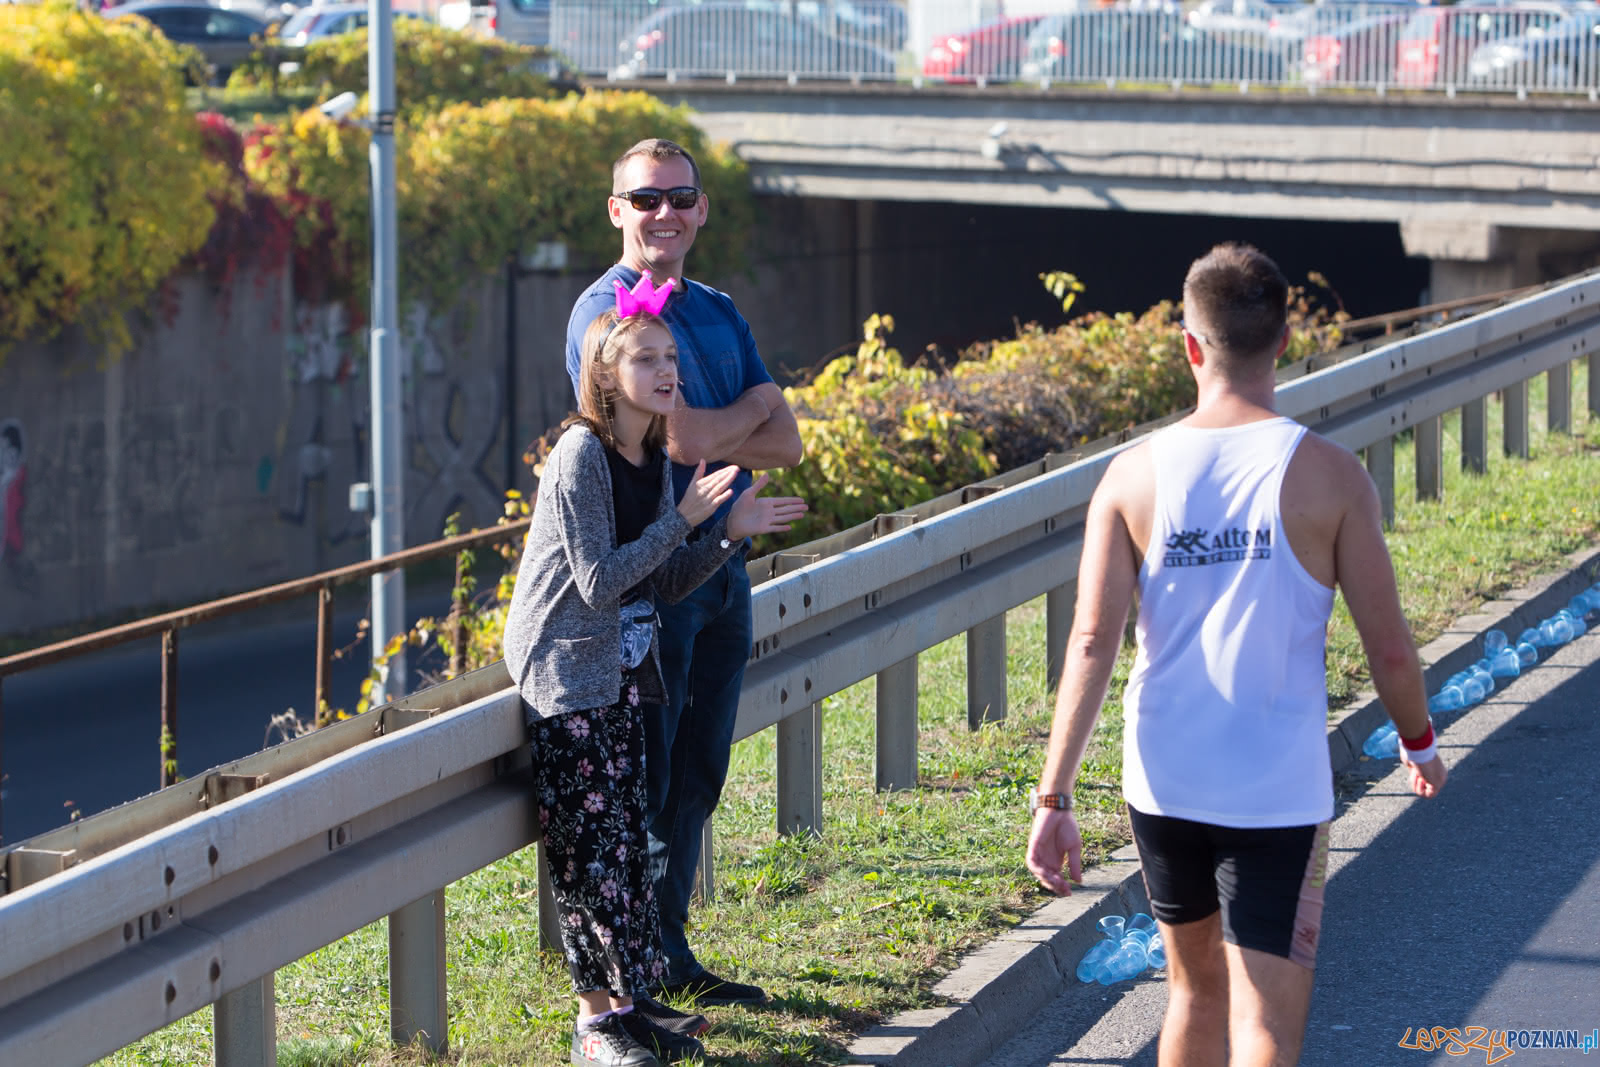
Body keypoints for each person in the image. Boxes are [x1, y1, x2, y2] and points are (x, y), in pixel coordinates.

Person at [1024, 242, 1447, 1067]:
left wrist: (1054, 794)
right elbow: (1390, 648)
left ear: (1190, 344)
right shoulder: (1332, 477)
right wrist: (1420, 740)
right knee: (1266, 1024)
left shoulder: (1130, 477)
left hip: (1165, 774)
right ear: (1284, 340)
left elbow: (1090, 641)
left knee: (1192, 993)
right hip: (1278, 785)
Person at [505, 283, 807, 1067]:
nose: (667, 369)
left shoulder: (653, 455)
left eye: (670, 356)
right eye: (647, 358)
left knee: (625, 851)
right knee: (589, 854)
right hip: (567, 672)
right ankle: (593, 1026)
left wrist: (724, 534)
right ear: (607, 374)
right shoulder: (581, 454)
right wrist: (685, 521)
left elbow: (662, 584)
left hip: (622, 667)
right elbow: (600, 581)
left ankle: (630, 1011)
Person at [566, 138, 804, 1007]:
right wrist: (744, 412)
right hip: (653, 584)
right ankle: (641, 965)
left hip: (724, 566)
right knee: (652, 778)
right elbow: (686, 443)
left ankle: (669, 950)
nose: (663, 212)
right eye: (645, 198)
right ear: (616, 209)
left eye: (680, 197)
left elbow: (788, 442)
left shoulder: (714, 307)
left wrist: (724, 427)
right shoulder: (605, 316)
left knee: (701, 769)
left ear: (701, 209)